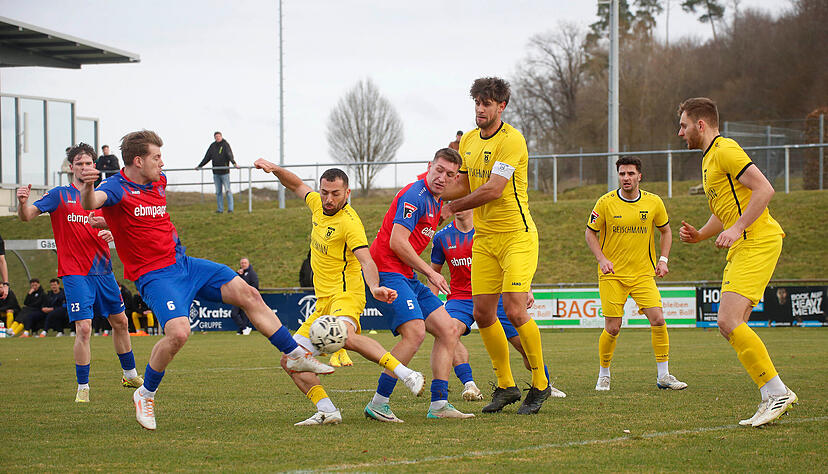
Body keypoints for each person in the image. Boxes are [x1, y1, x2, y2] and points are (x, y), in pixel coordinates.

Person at [81, 130, 331, 431]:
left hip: (184, 264)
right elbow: (91, 202)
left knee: (249, 294)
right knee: (179, 334)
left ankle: (295, 355)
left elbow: (140, 219)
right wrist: (88, 185)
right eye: (156, 156)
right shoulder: (115, 187)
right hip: (155, 275)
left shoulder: (158, 181)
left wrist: (113, 225)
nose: (162, 162)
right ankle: (145, 394)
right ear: (138, 160)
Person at [254, 158, 424, 426]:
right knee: (290, 360)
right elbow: (296, 184)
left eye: (335, 193)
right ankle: (327, 410)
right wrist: (274, 169)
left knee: (345, 336)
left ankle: (405, 373)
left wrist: (374, 287)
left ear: (348, 193)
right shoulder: (317, 205)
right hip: (322, 302)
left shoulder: (349, 222)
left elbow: (366, 260)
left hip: (346, 294)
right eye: (324, 192)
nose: (328, 199)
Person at [677, 97, 796, 428]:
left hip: (757, 240)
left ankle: (777, 393)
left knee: (728, 320)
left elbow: (764, 189)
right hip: (745, 243)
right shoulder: (709, 160)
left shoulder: (726, 149)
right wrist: (702, 234)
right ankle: (772, 393)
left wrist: (738, 227)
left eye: (684, 125)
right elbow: (724, 210)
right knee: (730, 324)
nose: (680, 132)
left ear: (701, 125)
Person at [441, 77, 550, 415]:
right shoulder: (470, 140)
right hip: (485, 239)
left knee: (515, 310)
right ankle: (505, 386)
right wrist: (434, 194)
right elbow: (466, 184)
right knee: (483, 313)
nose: (480, 108)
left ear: (501, 106)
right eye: (477, 102)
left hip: (517, 236)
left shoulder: (512, 140)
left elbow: (494, 189)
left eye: (487, 103)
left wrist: (453, 207)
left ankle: (541, 384)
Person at [16, 143, 144, 403]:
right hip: (75, 272)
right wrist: (22, 203)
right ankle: (83, 387)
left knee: (121, 322)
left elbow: (122, 223)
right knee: (84, 328)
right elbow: (27, 216)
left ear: (94, 167)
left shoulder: (103, 196)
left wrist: (112, 229)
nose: (85, 168)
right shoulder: (59, 195)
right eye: (80, 164)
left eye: (88, 164)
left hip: (103, 271)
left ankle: (129, 374)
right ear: (71, 168)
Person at [366, 148, 473, 422]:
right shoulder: (415, 195)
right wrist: (432, 272)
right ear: (429, 166)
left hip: (407, 275)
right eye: (438, 170)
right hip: (389, 272)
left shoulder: (436, 202)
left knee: (449, 330)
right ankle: (379, 403)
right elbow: (397, 242)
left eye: (449, 174)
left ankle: (439, 404)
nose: (441, 177)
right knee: (414, 333)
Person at [430, 209, 566, 401]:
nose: (458, 205)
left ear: (473, 201)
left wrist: (526, 287)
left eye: (464, 199)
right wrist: (432, 305)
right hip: (461, 299)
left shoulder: (489, 230)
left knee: (524, 346)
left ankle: (544, 383)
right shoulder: (442, 237)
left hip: (496, 296)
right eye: (453, 200)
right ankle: (470, 385)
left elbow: (513, 260)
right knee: (447, 332)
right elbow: (433, 273)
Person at [585, 156, 687, 392]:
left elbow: (666, 231)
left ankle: (664, 375)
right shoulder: (605, 203)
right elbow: (590, 233)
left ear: (639, 176)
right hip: (612, 274)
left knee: (658, 319)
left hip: (643, 273)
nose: (626, 178)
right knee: (613, 327)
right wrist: (602, 259)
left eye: (631, 173)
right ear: (618, 176)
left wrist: (663, 260)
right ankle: (604, 374)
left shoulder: (654, 202)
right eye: (622, 174)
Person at [196, 131, 238, 213]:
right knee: (218, 192)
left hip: (225, 172)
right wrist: (200, 166)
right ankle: (220, 209)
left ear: (221, 136)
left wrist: (234, 163)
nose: (217, 138)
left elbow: (229, 155)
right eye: (216, 137)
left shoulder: (225, 144)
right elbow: (207, 157)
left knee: (228, 191)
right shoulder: (212, 146)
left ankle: (230, 209)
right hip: (216, 173)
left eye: (219, 136)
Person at [231, 258, 258, 335]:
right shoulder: (240, 273)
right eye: (242, 263)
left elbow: (255, 285)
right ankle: (243, 328)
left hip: (247, 296)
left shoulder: (252, 273)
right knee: (235, 313)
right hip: (238, 296)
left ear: (248, 264)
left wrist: (249, 293)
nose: (243, 264)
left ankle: (243, 329)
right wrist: (238, 274)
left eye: (245, 263)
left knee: (241, 313)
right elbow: (234, 282)